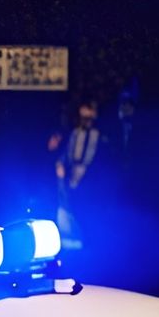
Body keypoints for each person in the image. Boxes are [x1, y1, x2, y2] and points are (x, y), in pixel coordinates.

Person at [53, 100, 102, 249]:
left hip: (89, 176)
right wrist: (60, 163)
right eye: (83, 117)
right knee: (68, 204)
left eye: (88, 118)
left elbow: (96, 157)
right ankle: (71, 237)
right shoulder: (75, 133)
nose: (85, 121)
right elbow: (68, 152)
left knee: (84, 208)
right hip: (72, 173)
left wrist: (88, 173)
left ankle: (87, 241)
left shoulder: (97, 135)